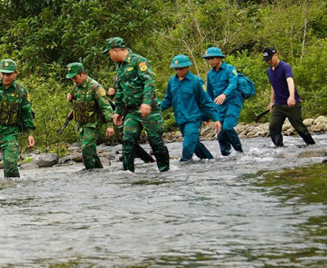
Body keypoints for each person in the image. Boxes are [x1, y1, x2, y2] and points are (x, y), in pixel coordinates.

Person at [104, 37, 170, 172]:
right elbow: (121, 90)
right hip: (131, 111)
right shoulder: (119, 67)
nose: (109, 56)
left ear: (116, 50)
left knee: (155, 142)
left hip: (149, 110)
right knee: (128, 141)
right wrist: (118, 111)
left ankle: (165, 171)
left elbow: (149, 82)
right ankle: (128, 173)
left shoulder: (138, 61)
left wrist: (146, 103)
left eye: (110, 53)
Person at [0, 59, 36, 179]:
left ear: (15, 73)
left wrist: (30, 133)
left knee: (11, 166)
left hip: (10, 132)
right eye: (3, 73)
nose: (5, 77)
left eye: (9, 74)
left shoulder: (21, 91)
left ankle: (12, 194)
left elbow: (27, 113)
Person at [161, 55, 222, 162]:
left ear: (187, 67)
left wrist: (216, 119)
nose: (178, 71)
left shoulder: (196, 81)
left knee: (188, 146)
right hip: (180, 120)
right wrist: (153, 111)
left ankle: (183, 166)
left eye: (180, 68)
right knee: (194, 144)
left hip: (193, 119)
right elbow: (167, 100)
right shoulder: (172, 81)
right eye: (176, 68)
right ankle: (211, 161)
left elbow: (207, 101)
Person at [65, 62, 115, 169]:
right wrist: (70, 99)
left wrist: (110, 125)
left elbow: (106, 106)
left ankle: (90, 173)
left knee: (86, 148)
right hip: (81, 124)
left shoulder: (95, 87)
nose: (74, 80)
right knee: (90, 150)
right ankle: (98, 172)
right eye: (72, 79)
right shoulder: (76, 87)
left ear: (82, 74)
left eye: (75, 77)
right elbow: (76, 101)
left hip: (93, 123)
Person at [263, 47, 315, 147]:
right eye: (267, 60)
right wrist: (271, 101)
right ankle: (279, 147)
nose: (269, 61)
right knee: (273, 126)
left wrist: (291, 97)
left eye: (270, 59)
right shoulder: (269, 71)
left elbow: (290, 81)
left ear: (276, 55)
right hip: (278, 105)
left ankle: (311, 145)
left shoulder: (285, 67)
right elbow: (273, 86)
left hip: (291, 104)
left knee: (299, 127)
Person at [202, 46, 244, 156]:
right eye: (208, 59)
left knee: (228, 127)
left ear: (219, 58)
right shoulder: (210, 74)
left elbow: (233, 84)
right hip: (218, 107)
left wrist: (224, 94)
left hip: (232, 103)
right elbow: (209, 95)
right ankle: (226, 156)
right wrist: (207, 114)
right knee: (220, 133)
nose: (210, 61)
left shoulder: (230, 69)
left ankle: (240, 152)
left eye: (212, 58)